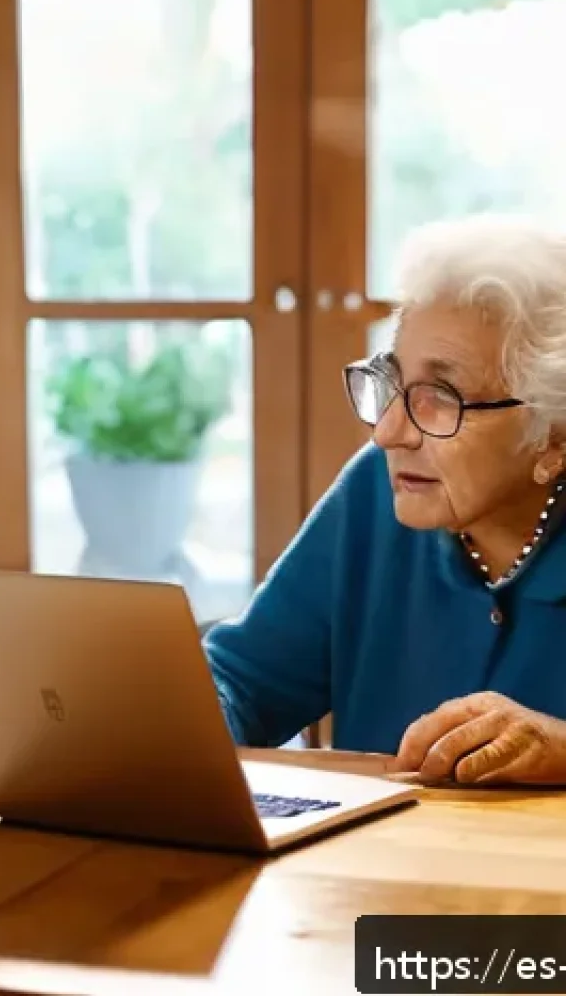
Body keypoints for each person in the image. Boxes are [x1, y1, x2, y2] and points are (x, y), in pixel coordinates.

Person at [205, 214, 566, 787]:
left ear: (554, 437)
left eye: (440, 396)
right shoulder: (378, 488)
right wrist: (147, 714)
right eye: (393, 384)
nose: (389, 432)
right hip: (376, 869)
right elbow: (244, 679)